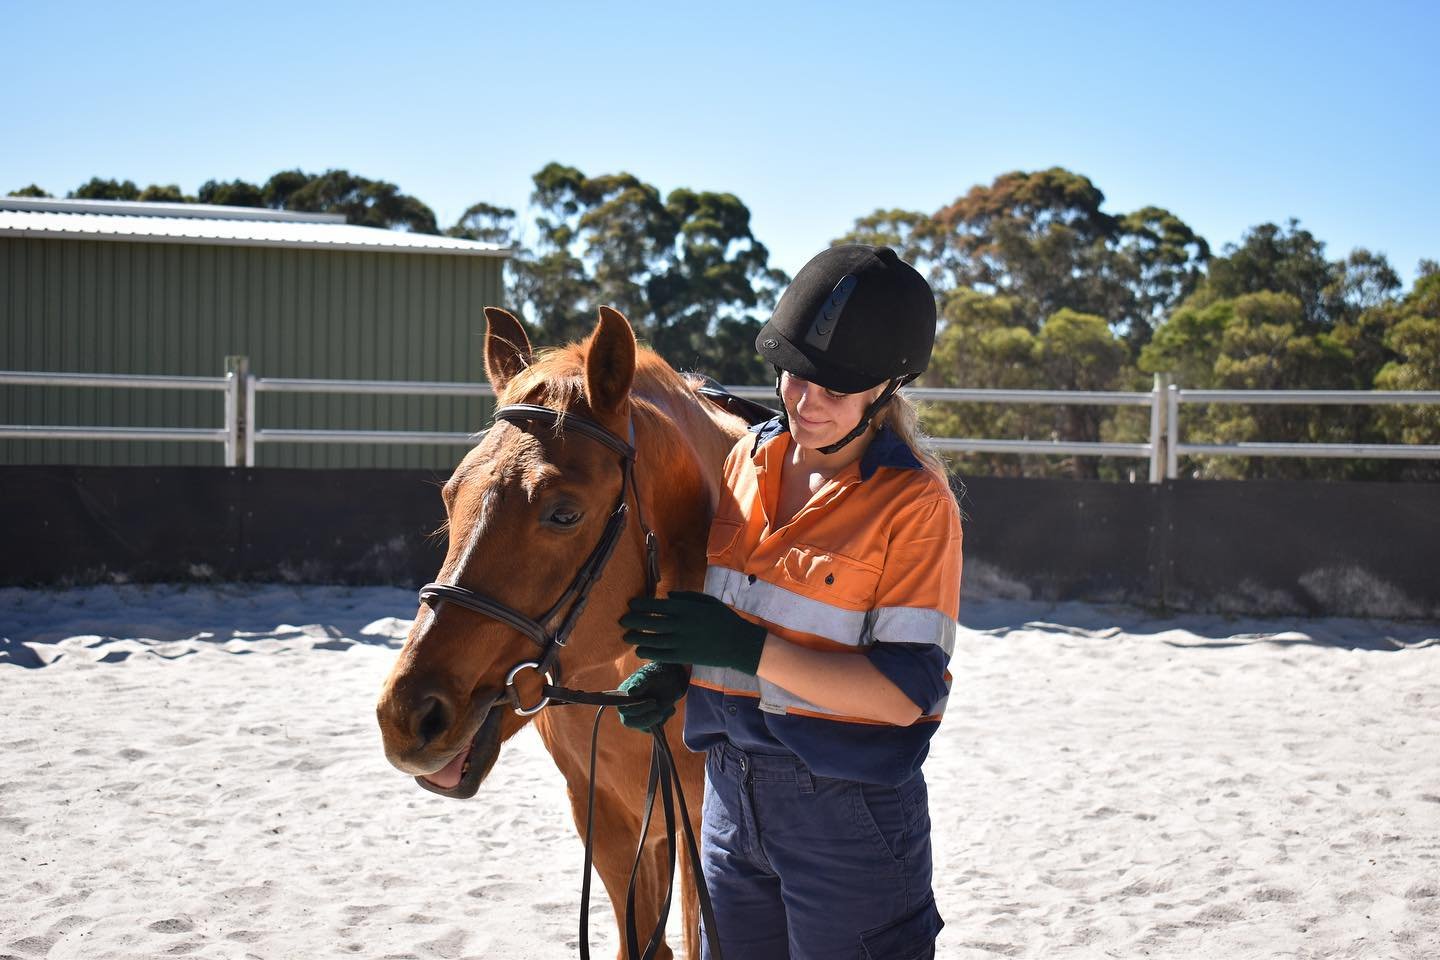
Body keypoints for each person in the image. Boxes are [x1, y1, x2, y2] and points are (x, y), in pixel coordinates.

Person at [618, 243, 962, 960]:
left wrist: (741, 651)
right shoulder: (746, 459)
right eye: (794, 376)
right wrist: (686, 670)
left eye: (834, 390)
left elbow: (905, 696)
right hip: (726, 800)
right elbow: (741, 610)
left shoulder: (916, 504)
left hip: (847, 815)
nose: (804, 403)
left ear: (887, 388)